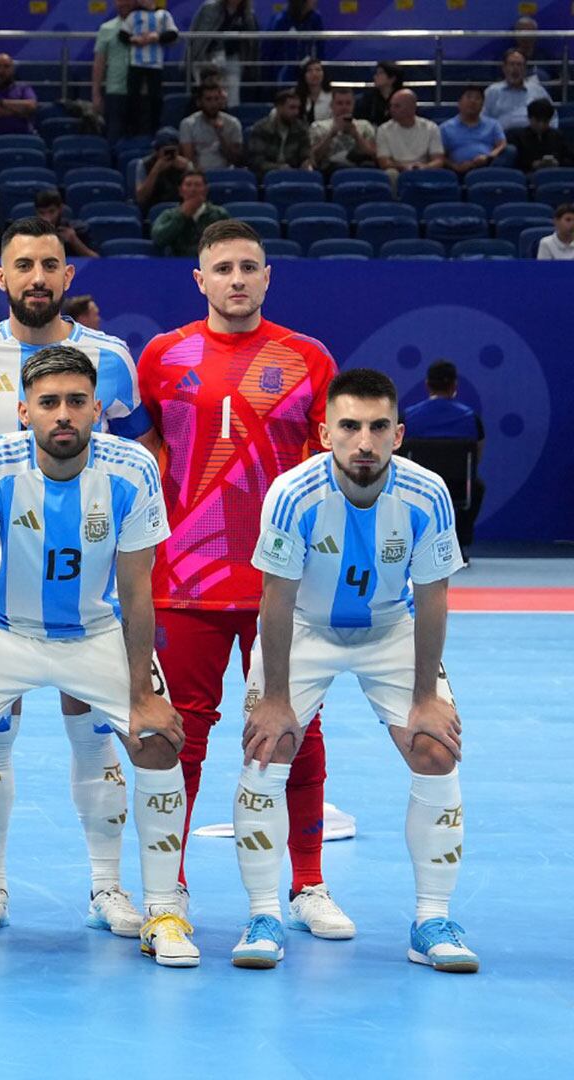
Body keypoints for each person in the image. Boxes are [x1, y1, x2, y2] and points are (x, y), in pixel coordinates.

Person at [0, 345, 193, 967]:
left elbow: (136, 589)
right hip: (6, 630)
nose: (63, 414)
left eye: (76, 402)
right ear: (24, 411)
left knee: (155, 742)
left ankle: (156, 908)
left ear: (99, 408)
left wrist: (143, 693)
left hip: (96, 633)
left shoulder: (131, 470)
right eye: (48, 403)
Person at [0, 217, 148, 938]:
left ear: (68, 276)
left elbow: (135, 455)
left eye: (51, 264)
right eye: (25, 265)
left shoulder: (109, 358)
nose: (39, 277)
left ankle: (107, 888)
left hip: (90, 589)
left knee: (93, 737)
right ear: (1, 276)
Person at [134, 218, 344, 935]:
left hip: (283, 584)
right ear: (200, 280)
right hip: (185, 579)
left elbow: (330, 470)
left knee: (297, 733)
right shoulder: (163, 357)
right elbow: (151, 451)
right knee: (178, 736)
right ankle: (171, 887)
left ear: (267, 276)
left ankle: (308, 885)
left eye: (248, 267)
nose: (236, 279)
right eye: (221, 268)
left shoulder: (308, 358)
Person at [234, 368, 474, 974]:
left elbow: (434, 597)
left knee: (435, 749)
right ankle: (264, 913)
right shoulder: (292, 495)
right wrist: (275, 698)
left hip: (391, 628)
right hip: (307, 629)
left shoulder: (427, 494)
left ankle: (431, 920)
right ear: (324, 433)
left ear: (398, 433)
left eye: (375, 427)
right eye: (348, 427)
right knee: (269, 746)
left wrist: (425, 698)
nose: (362, 441)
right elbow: (276, 601)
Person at [400, 360, 484, 554]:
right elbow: (476, 458)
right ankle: (461, 544)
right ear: (455, 385)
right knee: (476, 487)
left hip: (418, 487)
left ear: (427, 384)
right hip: (459, 486)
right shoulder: (471, 418)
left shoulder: (408, 417)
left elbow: (399, 455)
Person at [123, 0, 180, 139]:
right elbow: (123, 34)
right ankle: (132, 130)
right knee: (133, 97)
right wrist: (133, 39)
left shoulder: (164, 15)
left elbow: (173, 33)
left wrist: (158, 37)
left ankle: (155, 129)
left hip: (155, 63)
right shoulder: (133, 16)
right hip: (136, 62)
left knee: (155, 97)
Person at [189, 0, 260, 107]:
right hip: (208, 57)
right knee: (207, 94)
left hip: (233, 57)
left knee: (232, 98)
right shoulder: (210, 8)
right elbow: (200, 39)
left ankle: (230, 119)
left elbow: (251, 41)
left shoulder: (247, 13)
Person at [151, 171, 228, 257]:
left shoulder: (219, 214)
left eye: (197, 185)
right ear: (180, 190)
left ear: (205, 190)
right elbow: (158, 239)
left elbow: (228, 243)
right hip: (177, 263)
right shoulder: (169, 215)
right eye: (188, 185)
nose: (193, 189)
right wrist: (181, 215)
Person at [376, 89, 446, 176]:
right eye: (391, 106)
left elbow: (438, 160)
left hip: (424, 170)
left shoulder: (431, 128)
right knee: (390, 174)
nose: (391, 109)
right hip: (397, 171)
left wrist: (425, 167)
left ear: (411, 108)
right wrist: (404, 167)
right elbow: (384, 162)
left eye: (397, 106)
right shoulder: (383, 129)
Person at [308, 87, 378, 173]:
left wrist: (356, 135)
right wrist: (331, 134)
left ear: (353, 105)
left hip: (359, 167)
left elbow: (373, 155)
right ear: (332, 105)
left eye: (348, 103)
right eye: (339, 103)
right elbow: (314, 158)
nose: (344, 107)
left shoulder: (365, 125)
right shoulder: (318, 126)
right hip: (330, 169)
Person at [92, 0, 135, 139]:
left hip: (140, 91)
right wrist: (96, 94)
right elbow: (99, 63)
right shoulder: (106, 28)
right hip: (115, 91)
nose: (124, 3)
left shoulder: (146, 27)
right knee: (114, 136)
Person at [440, 87, 507, 175]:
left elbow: (502, 144)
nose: (473, 101)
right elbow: (439, 156)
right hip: (459, 170)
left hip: (488, 166)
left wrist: (488, 157)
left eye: (477, 98)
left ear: (482, 105)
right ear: (459, 103)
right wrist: (455, 167)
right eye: (469, 97)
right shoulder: (445, 127)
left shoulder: (493, 124)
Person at [485, 48, 552, 133]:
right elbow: (482, 119)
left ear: (525, 69)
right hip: (502, 139)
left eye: (519, 64)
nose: (515, 68)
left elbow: (552, 117)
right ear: (504, 68)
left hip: (532, 138)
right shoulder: (492, 91)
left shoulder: (538, 90)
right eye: (512, 64)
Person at [180, 82, 244, 171]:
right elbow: (189, 160)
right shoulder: (187, 124)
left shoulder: (233, 123)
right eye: (208, 99)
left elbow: (236, 160)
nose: (213, 104)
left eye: (216, 99)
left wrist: (221, 134)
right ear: (199, 102)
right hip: (198, 174)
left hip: (226, 173)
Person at [248, 89, 311, 175]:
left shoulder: (301, 128)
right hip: (265, 177)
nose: (296, 112)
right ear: (279, 107)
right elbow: (256, 161)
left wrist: (307, 163)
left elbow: (306, 155)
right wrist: (279, 168)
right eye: (292, 108)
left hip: (293, 175)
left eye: (298, 108)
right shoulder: (261, 129)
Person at [264, 0, 323, 90]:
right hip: (285, 71)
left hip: (307, 69)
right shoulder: (281, 20)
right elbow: (269, 51)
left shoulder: (316, 18)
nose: (315, 1)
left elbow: (320, 47)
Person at [135, 127, 195, 209]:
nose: (169, 154)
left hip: (181, 209)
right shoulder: (144, 164)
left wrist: (187, 171)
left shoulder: (186, 165)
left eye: (173, 150)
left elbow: (194, 196)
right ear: (157, 150)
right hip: (153, 209)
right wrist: (155, 171)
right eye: (166, 151)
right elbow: (141, 198)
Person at [34, 188, 97, 258]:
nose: (47, 218)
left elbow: (97, 261)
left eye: (51, 212)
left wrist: (74, 240)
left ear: (60, 209)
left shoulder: (79, 229)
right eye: (41, 213)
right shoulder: (30, 234)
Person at [514, 98, 571, 173]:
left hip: (555, 173)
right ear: (529, 118)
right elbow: (515, 162)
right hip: (528, 176)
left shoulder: (558, 136)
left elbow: (569, 158)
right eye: (538, 121)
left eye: (545, 121)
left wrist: (558, 163)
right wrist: (531, 164)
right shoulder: (518, 137)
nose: (541, 125)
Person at [355, 60, 403, 128]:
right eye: (376, 73)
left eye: (380, 73)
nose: (375, 77)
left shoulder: (402, 99)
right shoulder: (367, 99)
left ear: (392, 79)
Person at [295, 58, 332, 124]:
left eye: (318, 70)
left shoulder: (332, 97)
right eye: (309, 70)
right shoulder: (294, 95)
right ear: (304, 75)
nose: (314, 74)